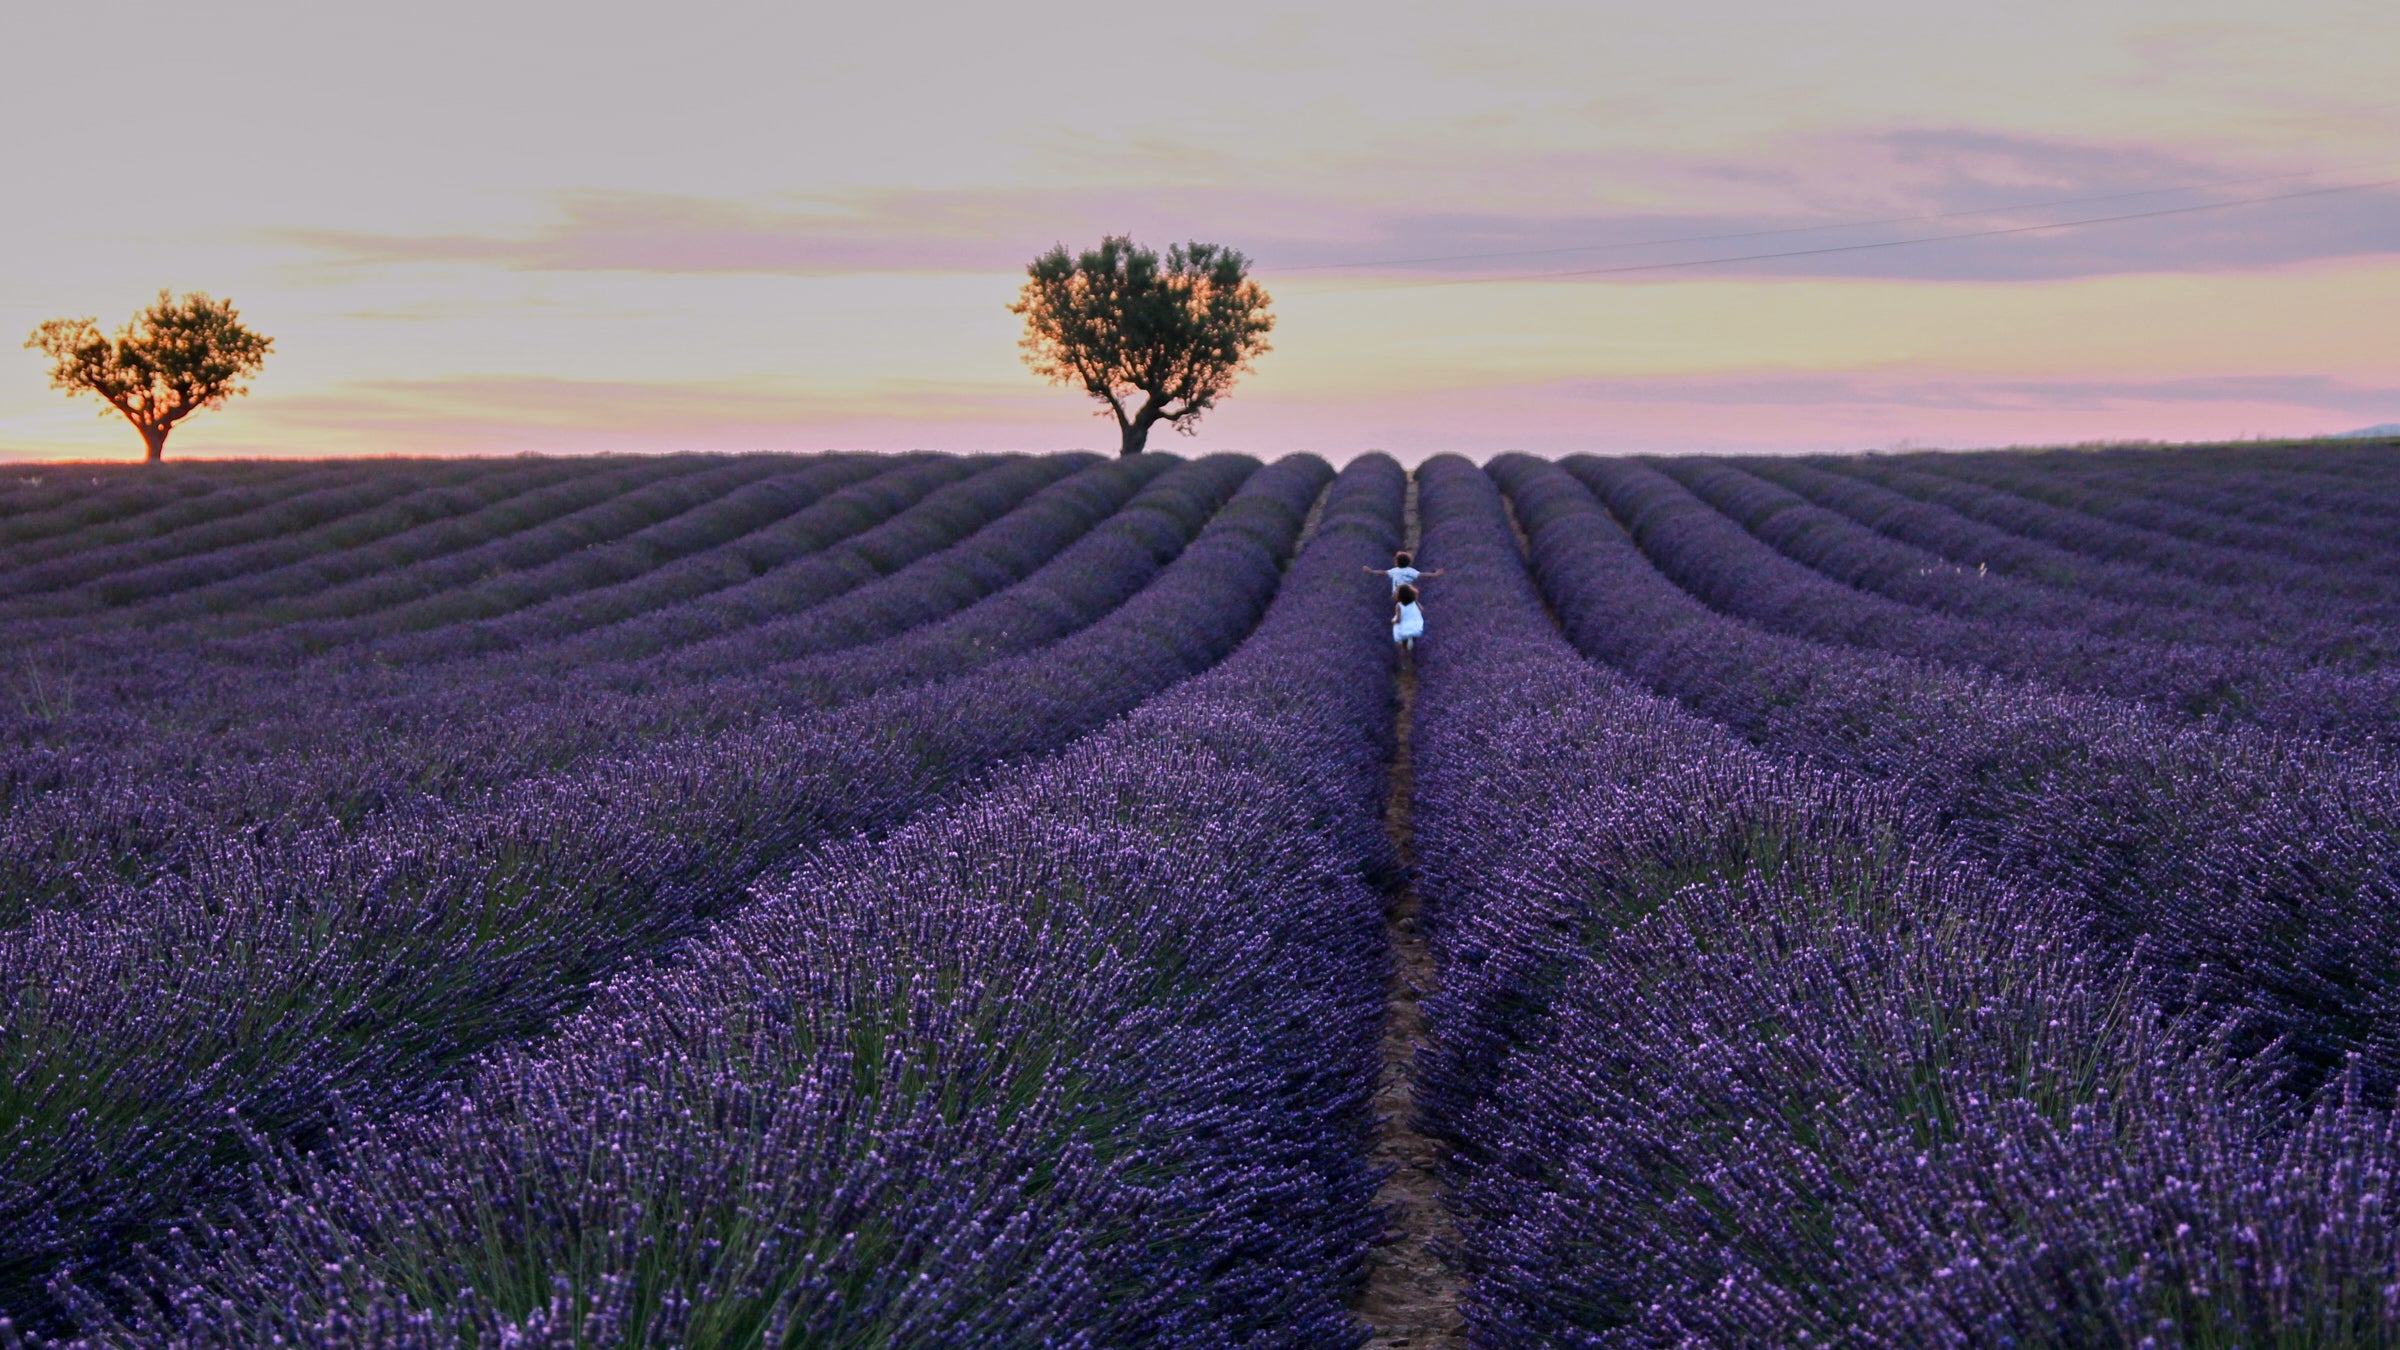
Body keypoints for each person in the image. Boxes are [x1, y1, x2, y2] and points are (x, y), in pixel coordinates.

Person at [1364, 550, 1444, 594]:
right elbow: (1423, 574)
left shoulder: (1394, 571)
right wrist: (1435, 574)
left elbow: (1382, 572)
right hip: (1408, 593)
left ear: (1397, 562)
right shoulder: (1410, 571)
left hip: (1397, 594)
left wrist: (1371, 571)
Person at [1392, 582, 1425, 650]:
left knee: (1402, 645)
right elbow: (1421, 610)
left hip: (1404, 630)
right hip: (1416, 627)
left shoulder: (1399, 605)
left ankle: (1404, 653)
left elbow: (1398, 619)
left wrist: (1393, 621)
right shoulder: (1414, 602)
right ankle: (1411, 644)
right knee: (1412, 637)